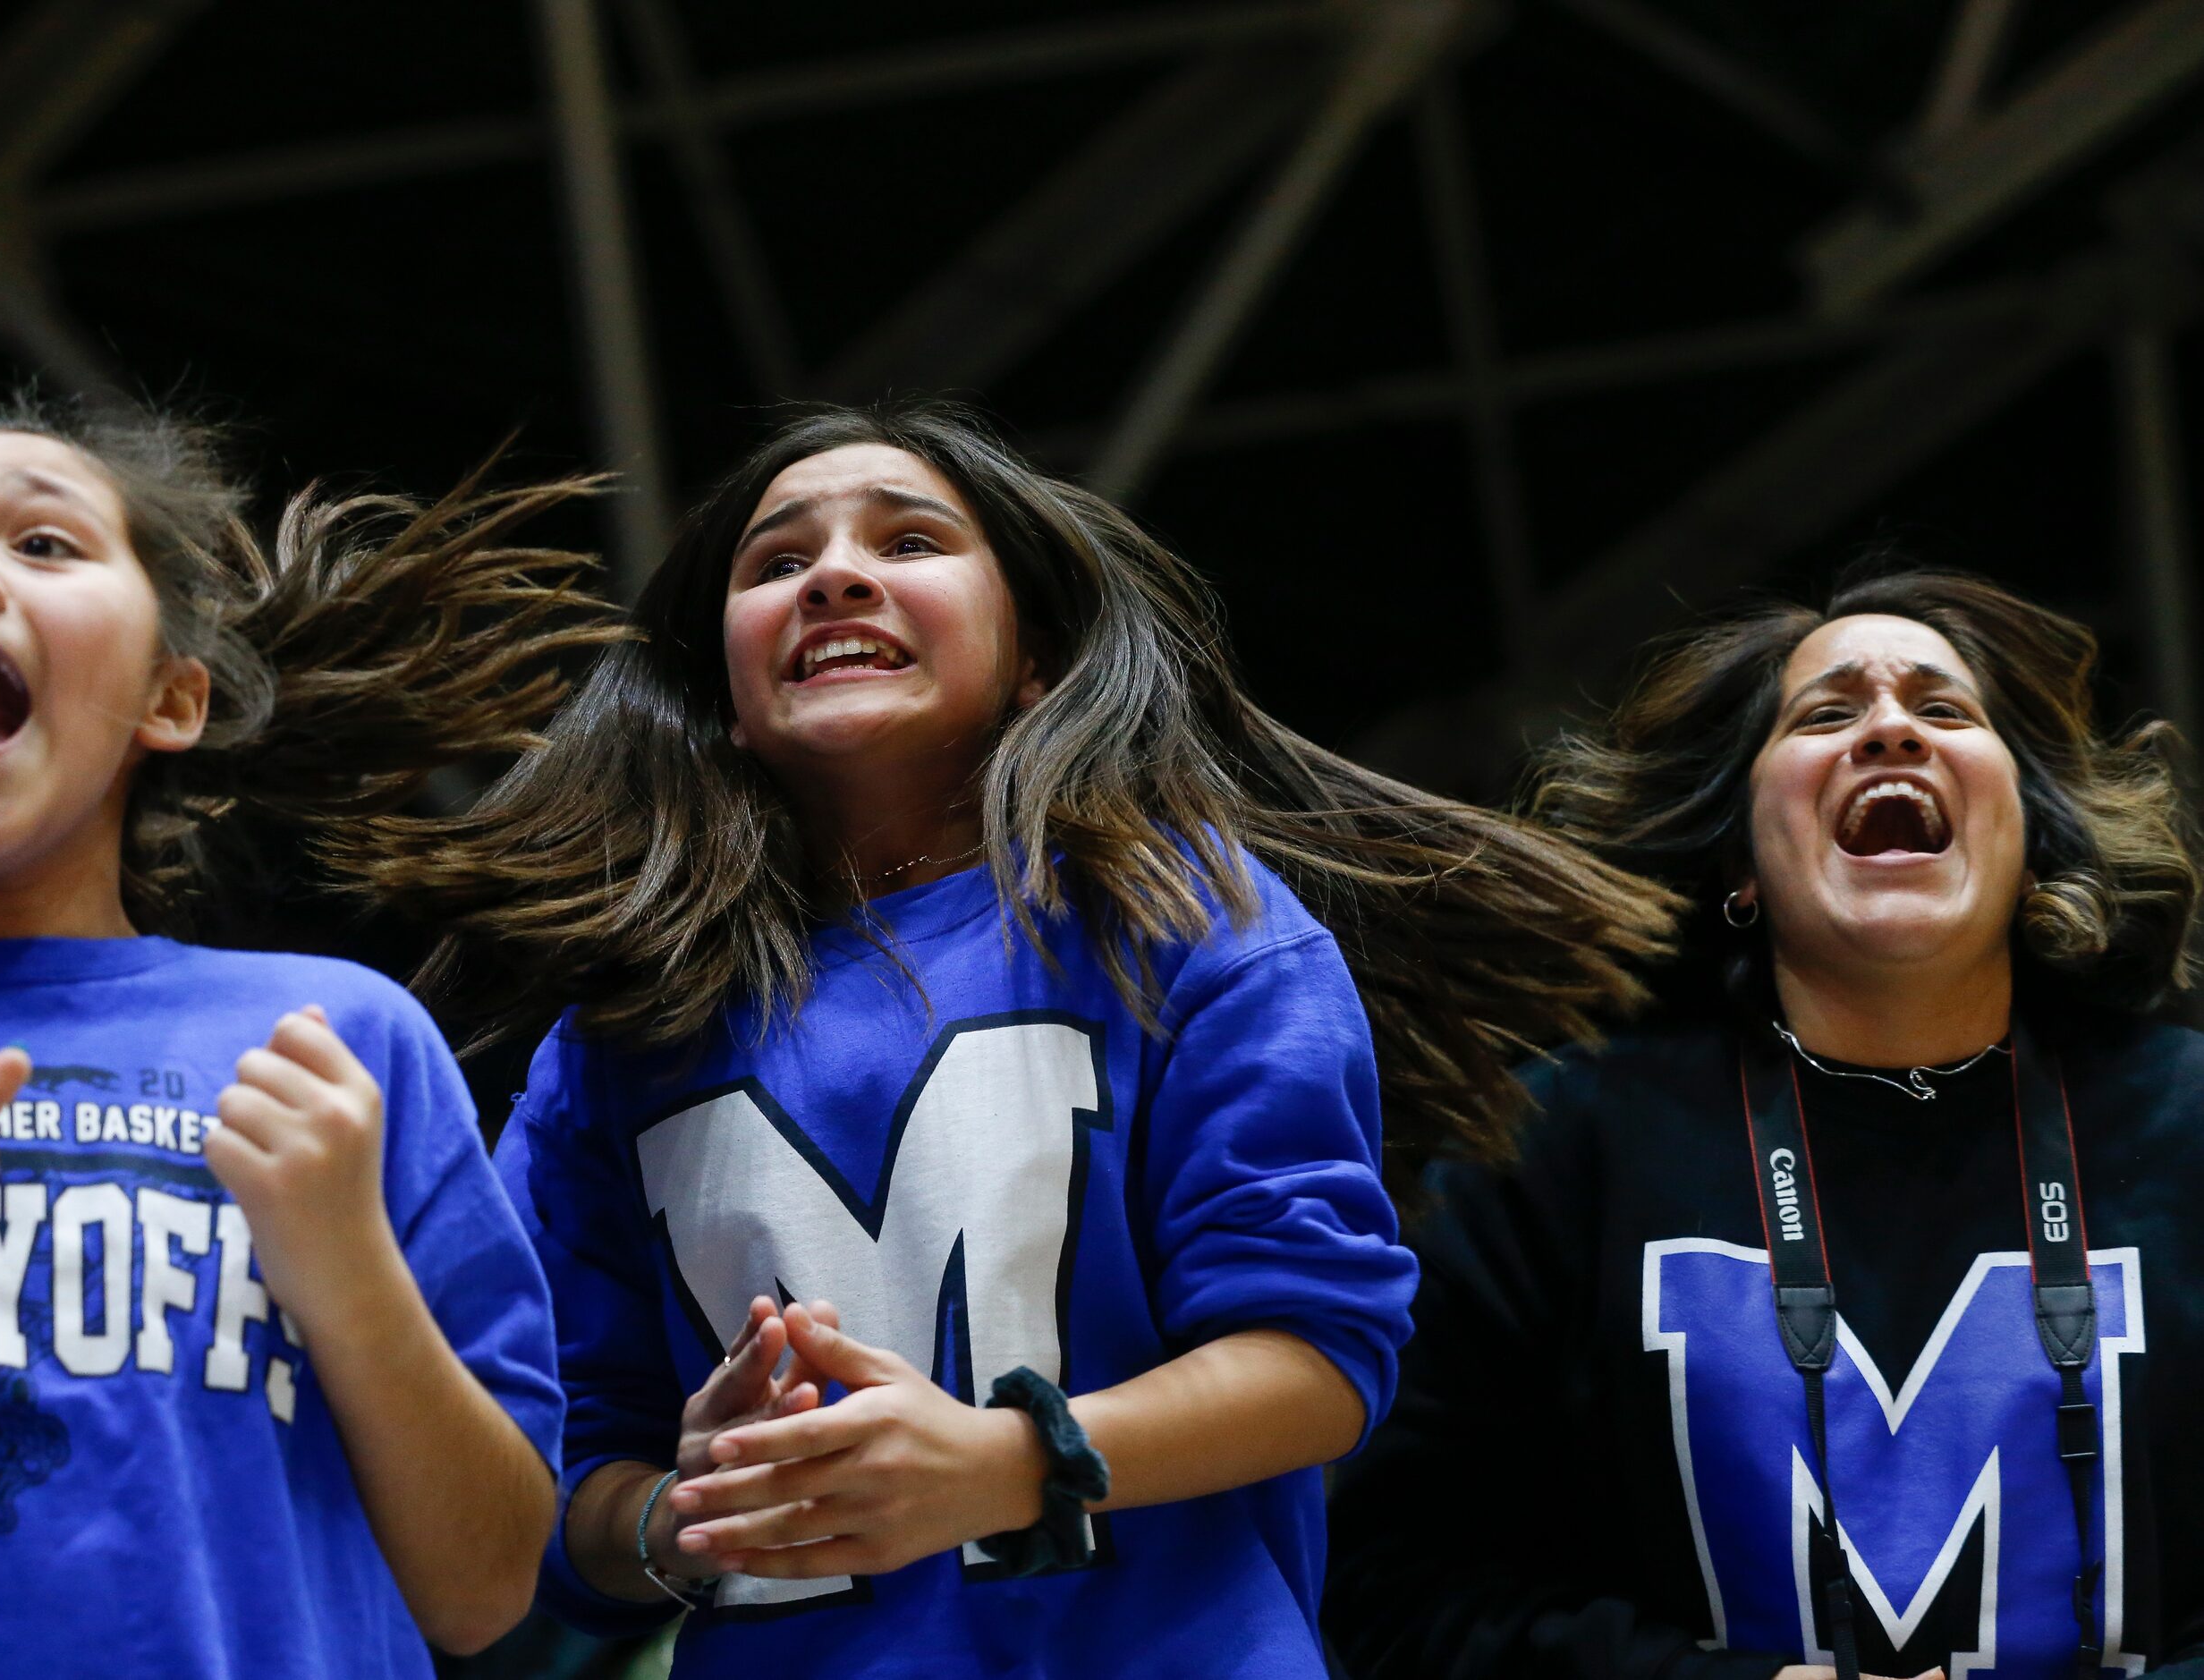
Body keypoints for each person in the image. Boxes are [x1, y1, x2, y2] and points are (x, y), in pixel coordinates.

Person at [340, 399, 1681, 1677]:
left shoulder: (1186, 920)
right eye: (778, 559)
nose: (834, 577)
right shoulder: (615, 1032)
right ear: (723, 692)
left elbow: (1319, 1361)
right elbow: (545, 1490)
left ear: (1035, 654)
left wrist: (1004, 1460)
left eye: (909, 541)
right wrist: (674, 1513)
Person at [0, 399, 612, 1676]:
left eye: (45, 544)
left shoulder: (340, 1039)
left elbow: (488, 1584)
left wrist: (345, 1266)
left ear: (172, 698)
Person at [1323, 565, 2204, 1680]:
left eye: (1944, 709)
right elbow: (1397, 1587)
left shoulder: (2184, 1120)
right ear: (1740, 861)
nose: (1889, 729)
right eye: (1826, 714)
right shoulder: (1565, 1142)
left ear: (2035, 841)